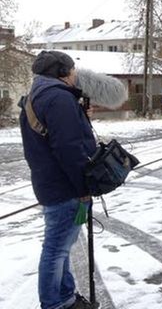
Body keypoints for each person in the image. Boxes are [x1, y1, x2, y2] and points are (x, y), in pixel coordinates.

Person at [19, 50, 97, 309]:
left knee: (61, 245)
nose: (75, 74)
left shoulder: (35, 97)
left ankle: (65, 297)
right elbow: (70, 148)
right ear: (63, 73)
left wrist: (81, 117)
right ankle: (54, 304)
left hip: (50, 183)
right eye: (73, 69)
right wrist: (83, 187)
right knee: (56, 250)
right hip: (66, 188)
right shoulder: (58, 99)